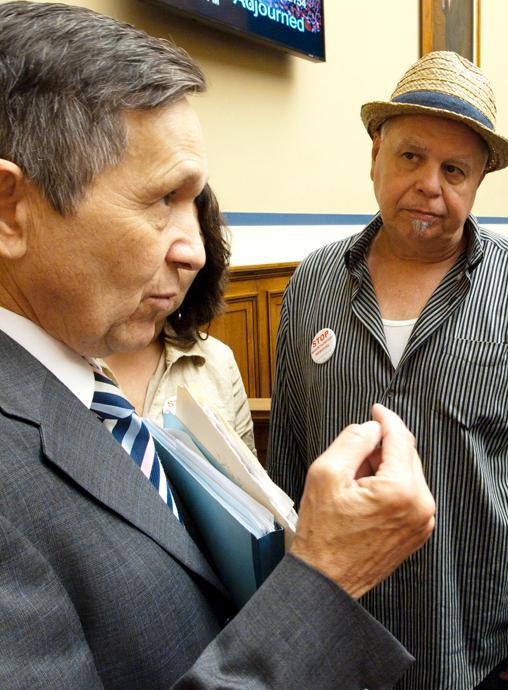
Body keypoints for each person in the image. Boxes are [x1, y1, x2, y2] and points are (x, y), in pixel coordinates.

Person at [0, 3, 435, 687]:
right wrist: (324, 580)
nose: (197, 251)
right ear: (10, 210)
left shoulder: (79, 383)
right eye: (162, 199)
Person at [268, 51, 508, 689]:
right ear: (375, 155)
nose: (429, 185)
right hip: (337, 643)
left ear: (479, 182)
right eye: (411, 157)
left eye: (455, 169)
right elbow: (288, 454)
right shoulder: (312, 284)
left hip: (479, 648)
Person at [104, 184, 257, 455]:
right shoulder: (60, 359)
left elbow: (248, 488)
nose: (191, 257)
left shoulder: (217, 361)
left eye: (196, 236)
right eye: (161, 230)